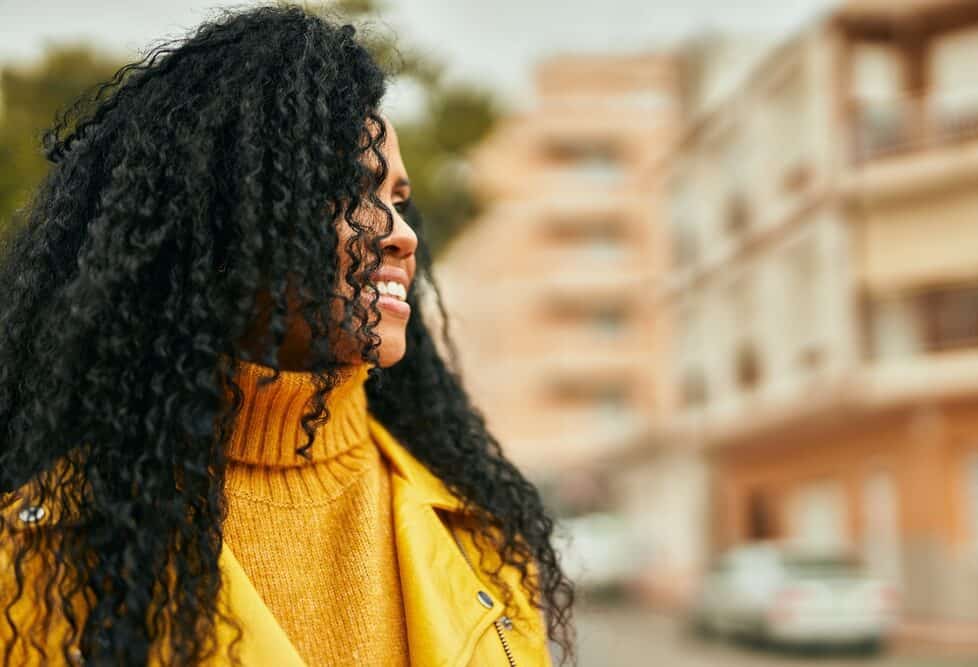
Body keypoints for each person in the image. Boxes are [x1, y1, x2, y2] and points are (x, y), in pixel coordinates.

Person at [0, 6, 575, 665]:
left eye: (398, 197)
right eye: (354, 192)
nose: (402, 233)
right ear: (226, 222)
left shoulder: (478, 534)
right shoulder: (44, 558)